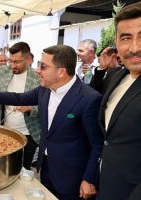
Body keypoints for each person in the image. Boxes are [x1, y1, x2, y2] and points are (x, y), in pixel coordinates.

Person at [0, 45, 103, 199]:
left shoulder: (89, 98)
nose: (37, 70)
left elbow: (97, 144)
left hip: (72, 176)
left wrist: (89, 179)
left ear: (61, 71)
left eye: (43, 66)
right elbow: (18, 98)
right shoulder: (45, 89)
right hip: (47, 168)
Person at [98, 2, 141, 199]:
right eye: (126, 38)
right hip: (107, 184)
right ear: (116, 41)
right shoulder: (117, 76)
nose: (134, 47)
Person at [0, 42, 41, 170]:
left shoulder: (38, 77)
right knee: (2, 165)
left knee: (23, 167)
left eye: (17, 62)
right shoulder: (3, 71)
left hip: (29, 132)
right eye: (10, 61)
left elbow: (46, 105)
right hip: (6, 128)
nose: (12, 66)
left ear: (29, 59)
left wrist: (31, 108)